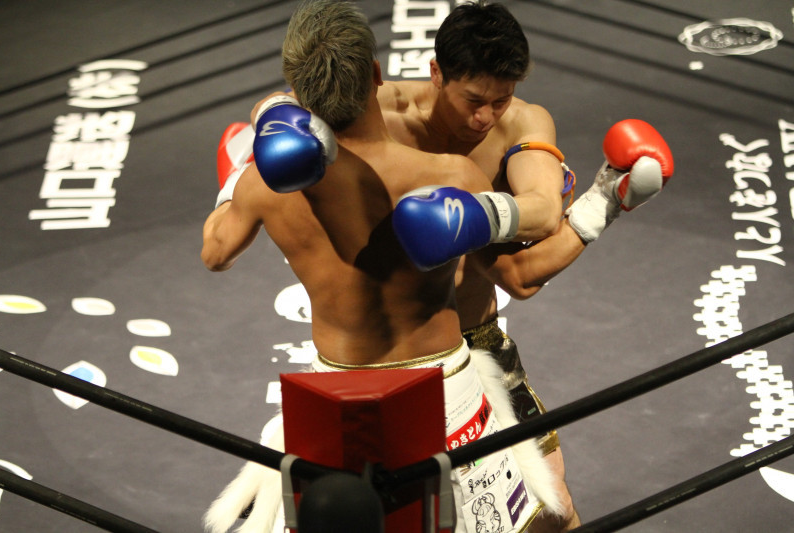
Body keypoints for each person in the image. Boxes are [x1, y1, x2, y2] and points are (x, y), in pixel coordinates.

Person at [199, 1, 584, 532]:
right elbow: (518, 272)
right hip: (442, 384)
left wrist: (243, 168)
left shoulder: (264, 186)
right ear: (376, 75)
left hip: (335, 390)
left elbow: (215, 253)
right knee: (548, 520)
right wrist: (601, 202)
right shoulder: (453, 175)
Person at [376, 2, 673, 532]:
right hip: (389, 351)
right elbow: (283, 104)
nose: (485, 117)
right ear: (437, 73)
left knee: (552, 511)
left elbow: (521, 270)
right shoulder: (382, 114)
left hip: (477, 339)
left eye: (500, 99)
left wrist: (600, 202)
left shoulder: (524, 122)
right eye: (473, 100)